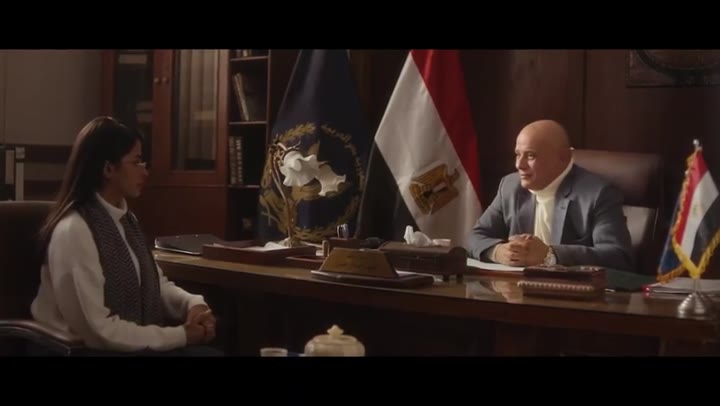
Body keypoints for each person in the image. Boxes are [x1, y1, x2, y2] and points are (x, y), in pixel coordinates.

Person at [30, 116, 222, 356]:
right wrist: (181, 335)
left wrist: (192, 304)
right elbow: (97, 330)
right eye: (137, 162)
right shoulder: (74, 230)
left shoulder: (126, 220)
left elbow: (153, 285)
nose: (145, 172)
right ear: (108, 169)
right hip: (84, 350)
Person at [465, 119, 633, 271]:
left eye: (531, 155)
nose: (519, 165)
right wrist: (497, 252)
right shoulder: (510, 186)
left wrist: (550, 255)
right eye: (518, 154)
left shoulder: (598, 194)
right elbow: (475, 237)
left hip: (571, 293)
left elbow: (618, 257)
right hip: (516, 289)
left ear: (563, 157)